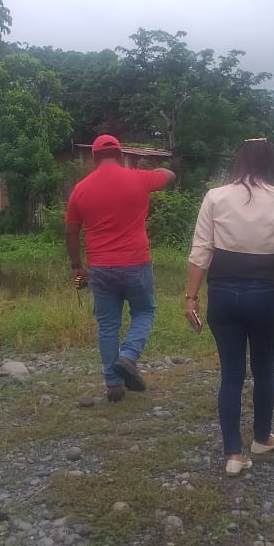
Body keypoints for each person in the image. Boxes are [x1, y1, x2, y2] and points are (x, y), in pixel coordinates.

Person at [185, 138, 274, 477]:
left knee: (231, 376)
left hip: (222, 294)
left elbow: (200, 252)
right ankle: (262, 438)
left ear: (239, 161)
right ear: (271, 164)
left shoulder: (215, 197)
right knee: (265, 369)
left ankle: (233, 454)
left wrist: (191, 297)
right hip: (265, 295)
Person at [65, 135, 176, 403]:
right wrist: (154, 169)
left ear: (94, 157)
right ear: (120, 154)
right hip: (136, 263)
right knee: (144, 311)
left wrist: (77, 266)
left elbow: (71, 232)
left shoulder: (80, 188)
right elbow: (170, 176)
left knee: (107, 325)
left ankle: (113, 386)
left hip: (100, 267)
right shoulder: (139, 178)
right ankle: (128, 357)